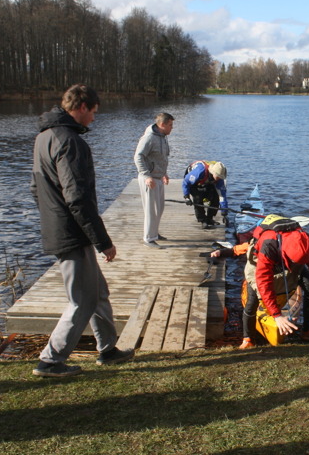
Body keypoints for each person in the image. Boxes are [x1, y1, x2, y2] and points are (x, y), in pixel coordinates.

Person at [30, 84, 134, 377]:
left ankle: (108, 349)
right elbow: (78, 198)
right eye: (94, 113)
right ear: (82, 107)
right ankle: (50, 360)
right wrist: (102, 241)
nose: (94, 119)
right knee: (82, 300)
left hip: (61, 228)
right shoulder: (71, 142)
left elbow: (35, 189)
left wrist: (54, 219)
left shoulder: (43, 137)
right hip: (72, 233)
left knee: (98, 291)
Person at [212, 215, 309, 349]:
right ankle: (248, 339)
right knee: (252, 301)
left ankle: (308, 330)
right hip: (260, 264)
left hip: (291, 261)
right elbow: (263, 282)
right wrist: (277, 315)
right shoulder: (269, 245)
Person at [134, 112, 173, 249]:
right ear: (162, 125)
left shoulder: (163, 137)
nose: (171, 128)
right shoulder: (149, 138)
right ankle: (148, 238)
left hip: (158, 177)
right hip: (149, 179)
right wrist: (146, 175)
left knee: (159, 208)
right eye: (170, 125)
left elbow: (160, 157)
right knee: (151, 209)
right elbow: (138, 157)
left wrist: (164, 173)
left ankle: (154, 233)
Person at [182, 160, 229, 229]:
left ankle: (209, 219)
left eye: (220, 177)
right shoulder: (199, 172)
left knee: (216, 197)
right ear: (213, 172)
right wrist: (186, 197)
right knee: (198, 197)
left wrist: (224, 213)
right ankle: (202, 220)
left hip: (206, 182)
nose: (219, 178)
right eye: (218, 176)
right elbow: (186, 182)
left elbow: (222, 196)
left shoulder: (219, 180)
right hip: (194, 183)